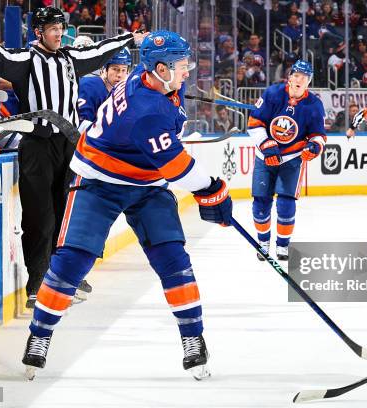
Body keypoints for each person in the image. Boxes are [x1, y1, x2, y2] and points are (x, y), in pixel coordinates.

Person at [21, 30, 232, 381]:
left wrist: (173, 86)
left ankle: (193, 339)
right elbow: (177, 168)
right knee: (72, 261)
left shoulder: (147, 76)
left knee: (173, 260)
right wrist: (213, 189)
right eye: (182, 66)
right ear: (160, 68)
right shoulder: (146, 112)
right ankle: (39, 337)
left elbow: (163, 130)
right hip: (98, 182)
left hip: (146, 185)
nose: (188, 71)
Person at [0, 7, 148, 308]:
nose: (58, 33)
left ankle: (61, 278)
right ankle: (37, 282)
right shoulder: (28, 60)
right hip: (38, 147)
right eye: (53, 28)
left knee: (65, 215)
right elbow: (4, 59)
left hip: (68, 147)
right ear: (39, 32)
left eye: (60, 28)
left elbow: (99, 50)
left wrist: (129, 38)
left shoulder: (70, 58)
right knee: (40, 216)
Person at [247, 60, 326, 261]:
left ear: (309, 82)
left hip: (291, 158)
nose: (300, 80)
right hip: (264, 157)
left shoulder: (314, 105)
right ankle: (263, 242)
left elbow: (318, 134)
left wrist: (315, 146)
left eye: (305, 77)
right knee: (261, 201)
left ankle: (282, 245)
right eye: (297, 75)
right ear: (289, 77)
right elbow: (254, 124)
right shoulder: (273, 94)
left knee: (285, 202)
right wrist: (266, 145)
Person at [77, 48, 131, 133]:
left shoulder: (122, 91)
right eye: (115, 69)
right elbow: (79, 124)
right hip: (83, 142)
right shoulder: (89, 85)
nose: (119, 75)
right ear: (105, 69)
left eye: (123, 70)